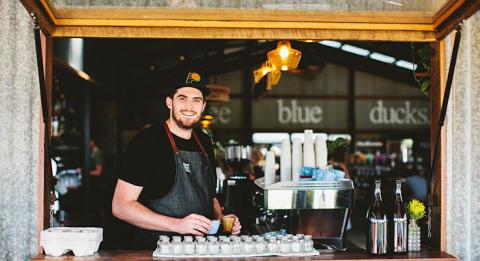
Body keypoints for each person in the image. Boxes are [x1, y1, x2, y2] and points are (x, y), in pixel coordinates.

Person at [112, 71, 241, 249]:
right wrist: (177, 225)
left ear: (203, 106)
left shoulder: (204, 142)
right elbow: (121, 206)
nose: (190, 106)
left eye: (196, 100)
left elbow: (210, 197)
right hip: (156, 251)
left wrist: (221, 221)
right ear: (169, 102)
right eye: (182, 98)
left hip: (201, 250)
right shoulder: (147, 141)